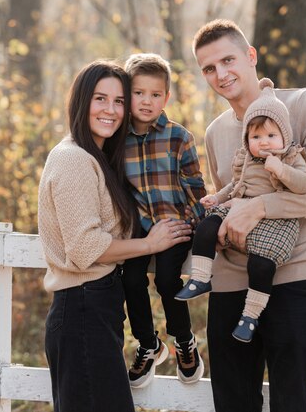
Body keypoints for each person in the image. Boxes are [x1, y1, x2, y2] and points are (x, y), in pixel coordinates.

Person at [192, 19, 306, 412]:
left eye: (228, 60)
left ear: (251, 57)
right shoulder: (216, 132)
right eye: (209, 68)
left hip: (292, 276)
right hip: (230, 283)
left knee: (291, 402)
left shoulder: (302, 104)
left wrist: (262, 207)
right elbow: (232, 199)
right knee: (232, 403)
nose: (221, 74)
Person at [38, 60, 192, 412]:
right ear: (80, 101)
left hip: (96, 307)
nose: (111, 110)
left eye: (120, 101)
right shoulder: (73, 159)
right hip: (81, 308)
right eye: (100, 99)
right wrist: (150, 245)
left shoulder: (98, 159)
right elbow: (85, 248)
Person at [175, 77, 306, 344]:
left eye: (271, 135)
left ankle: (250, 316)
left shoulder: (291, 157)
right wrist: (217, 197)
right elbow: (235, 185)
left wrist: (281, 170)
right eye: (256, 136)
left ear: (284, 135)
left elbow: (305, 184)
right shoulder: (245, 158)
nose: (264, 142)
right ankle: (200, 278)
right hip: (239, 208)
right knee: (205, 227)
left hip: (276, 221)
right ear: (246, 138)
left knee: (261, 266)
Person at [121, 53, 206, 388]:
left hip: (174, 225)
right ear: (128, 95)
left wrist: (196, 225)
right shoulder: (118, 141)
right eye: (139, 93)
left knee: (168, 280)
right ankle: (148, 344)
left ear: (166, 98)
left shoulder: (178, 137)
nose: (147, 101)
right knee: (130, 279)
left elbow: (196, 187)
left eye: (155, 95)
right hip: (139, 227)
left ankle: (184, 341)